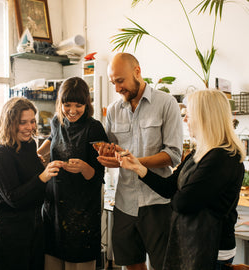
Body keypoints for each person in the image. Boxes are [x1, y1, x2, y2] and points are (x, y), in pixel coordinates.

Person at [116, 89, 246, 270]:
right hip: (195, 243)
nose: (185, 120)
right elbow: (169, 187)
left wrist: (179, 195)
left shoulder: (222, 157)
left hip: (211, 250)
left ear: (205, 117)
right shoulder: (200, 152)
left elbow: (183, 203)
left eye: (188, 115)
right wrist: (137, 167)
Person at [96, 53, 183, 270]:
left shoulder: (166, 103)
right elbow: (114, 154)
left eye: (120, 80)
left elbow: (173, 154)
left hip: (157, 204)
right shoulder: (114, 110)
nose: (116, 88)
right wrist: (108, 155)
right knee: (131, 265)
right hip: (125, 203)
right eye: (112, 82)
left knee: (164, 266)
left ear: (137, 71)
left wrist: (136, 163)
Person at [0, 97, 64, 270]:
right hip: (6, 229)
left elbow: (33, 185)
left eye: (32, 121)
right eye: (23, 123)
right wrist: (42, 177)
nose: (30, 127)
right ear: (10, 124)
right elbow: (14, 198)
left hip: (32, 224)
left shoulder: (28, 145)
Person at [37, 77, 108, 270]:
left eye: (79, 105)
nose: (72, 110)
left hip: (81, 210)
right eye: (67, 105)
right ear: (60, 103)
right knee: (52, 260)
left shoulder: (94, 128)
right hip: (54, 204)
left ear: (87, 103)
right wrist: (38, 154)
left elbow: (99, 174)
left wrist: (84, 167)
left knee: (78, 262)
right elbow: (52, 139)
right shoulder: (56, 121)